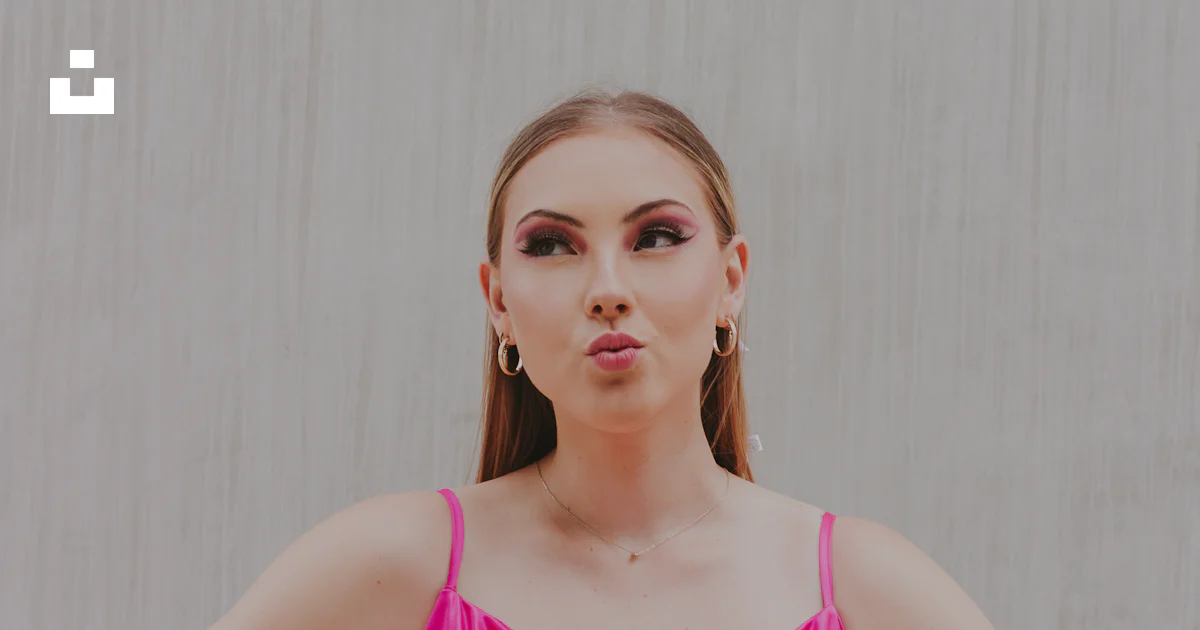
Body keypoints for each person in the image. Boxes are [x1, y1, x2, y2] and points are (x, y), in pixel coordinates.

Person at [209, 88, 995, 630]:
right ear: (498, 301)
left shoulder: (860, 585)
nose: (608, 290)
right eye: (553, 246)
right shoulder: (396, 560)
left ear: (731, 279)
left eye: (656, 237)